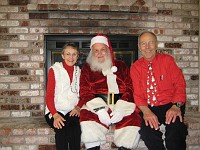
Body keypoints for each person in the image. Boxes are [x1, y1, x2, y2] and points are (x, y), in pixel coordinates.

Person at [76, 34, 141, 150]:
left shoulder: (121, 66)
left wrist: (121, 108)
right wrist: (100, 110)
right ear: (92, 53)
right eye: (96, 51)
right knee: (86, 118)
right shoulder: (87, 68)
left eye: (102, 50)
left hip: (120, 104)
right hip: (96, 106)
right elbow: (84, 91)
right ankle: (93, 147)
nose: (99, 53)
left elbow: (130, 88)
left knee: (134, 119)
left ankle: (124, 148)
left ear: (108, 50)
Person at [130, 31, 188, 150]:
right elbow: (137, 94)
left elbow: (180, 84)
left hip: (171, 104)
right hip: (149, 106)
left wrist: (176, 106)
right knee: (147, 132)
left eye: (151, 43)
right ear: (139, 47)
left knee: (176, 130)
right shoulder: (135, 67)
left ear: (156, 45)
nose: (147, 47)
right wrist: (146, 111)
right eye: (143, 44)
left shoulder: (168, 61)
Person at [45, 42, 81, 150]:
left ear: (77, 56)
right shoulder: (54, 70)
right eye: (68, 54)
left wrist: (78, 107)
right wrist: (55, 115)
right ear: (62, 55)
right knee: (61, 130)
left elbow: (84, 94)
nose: (71, 57)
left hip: (72, 110)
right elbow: (49, 96)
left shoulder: (79, 72)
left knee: (75, 130)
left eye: (74, 54)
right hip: (55, 110)